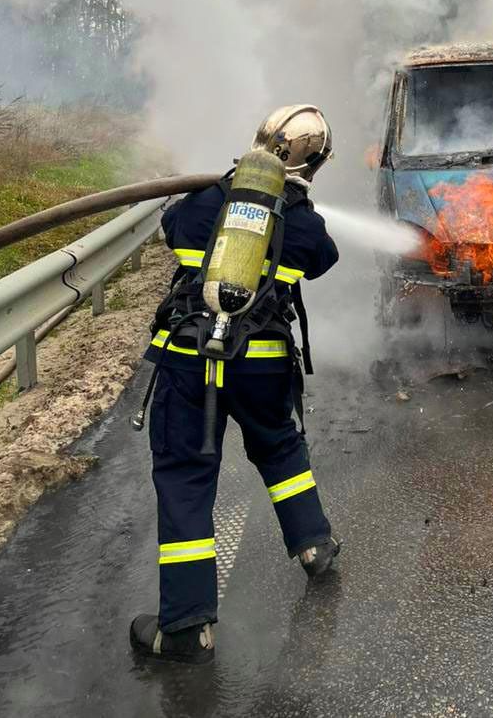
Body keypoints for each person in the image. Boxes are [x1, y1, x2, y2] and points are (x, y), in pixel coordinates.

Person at [130, 105, 339, 665]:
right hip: (263, 361)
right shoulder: (301, 219)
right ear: (313, 161)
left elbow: (172, 229)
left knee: (184, 477)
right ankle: (314, 545)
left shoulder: (205, 201)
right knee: (279, 447)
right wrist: (297, 208)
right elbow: (323, 258)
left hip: (189, 360)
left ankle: (187, 626)